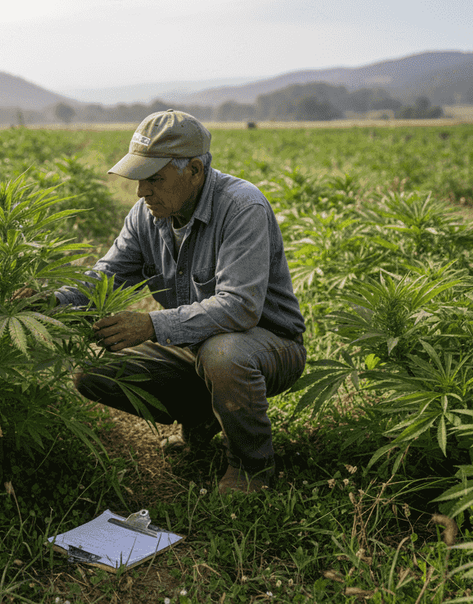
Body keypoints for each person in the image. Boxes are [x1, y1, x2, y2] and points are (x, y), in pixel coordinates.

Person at [53, 109, 306, 494]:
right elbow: (103, 277)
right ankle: (204, 418)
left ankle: (251, 467)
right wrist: (51, 302)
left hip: (268, 344)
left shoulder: (242, 207)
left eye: (154, 179)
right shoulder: (146, 215)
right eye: (140, 179)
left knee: (223, 353)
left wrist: (151, 325)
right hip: (194, 347)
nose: (142, 192)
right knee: (94, 373)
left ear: (194, 172)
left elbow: (240, 307)